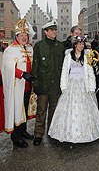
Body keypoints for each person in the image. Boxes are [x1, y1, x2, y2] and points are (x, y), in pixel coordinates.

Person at [48, 36, 99, 143]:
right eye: (79, 44)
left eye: (83, 44)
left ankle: (86, 133)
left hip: (83, 84)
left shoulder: (87, 56)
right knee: (70, 108)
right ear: (75, 45)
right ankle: (68, 133)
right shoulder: (69, 56)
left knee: (85, 108)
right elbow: (64, 71)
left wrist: (92, 86)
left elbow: (90, 72)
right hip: (72, 84)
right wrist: (63, 86)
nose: (81, 46)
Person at [1, 19, 35, 148]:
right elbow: (8, 67)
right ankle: (16, 137)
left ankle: (23, 131)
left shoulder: (30, 49)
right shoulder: (10, 50)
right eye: (21, 35)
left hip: (27, 86)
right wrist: (22, 74)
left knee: (24, 109)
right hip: (16, 86)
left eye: (26, 35)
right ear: (16, 36)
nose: (24, 37)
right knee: (16, 109)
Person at [31, 20, 64, 146]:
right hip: (43, 84)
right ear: (46, 32)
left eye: (55, 30)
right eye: (52, 30)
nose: (54, 32)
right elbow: (35, 66)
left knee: (54, 110)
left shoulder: (60, 46)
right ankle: (38, 134)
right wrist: (35, 83)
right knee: (41, 110)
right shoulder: (39, 46)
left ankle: (52, 131)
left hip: (56, 85)